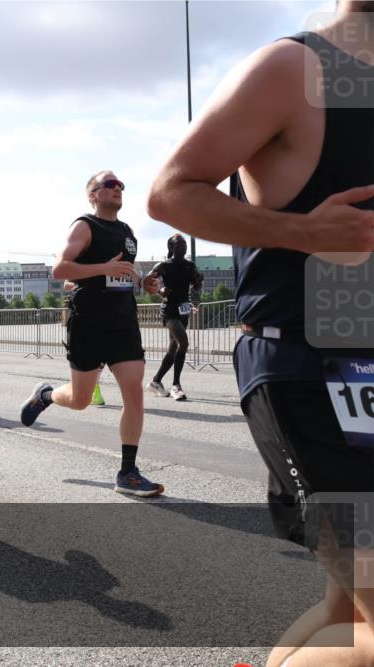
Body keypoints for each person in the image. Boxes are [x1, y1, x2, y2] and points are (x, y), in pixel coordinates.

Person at [147, 5, 374, 664]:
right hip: (304, 370)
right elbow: (170, 192)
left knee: (344, 607)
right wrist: (305, 231)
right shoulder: (294, 67)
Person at [19, 171, 163, 497]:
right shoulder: (84, 226)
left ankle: (128, 472)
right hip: (88, 324)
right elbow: (59, 269)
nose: (118, 188)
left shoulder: (127, 233)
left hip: (123, 323)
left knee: (134, 392)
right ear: (94, 194)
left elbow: (126, 272)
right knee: (80, 400)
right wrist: (102, 269)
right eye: (110, 184)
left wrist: (144, 283)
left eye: (121, 185)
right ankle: (45, 395)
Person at [145, 234, 203, 401]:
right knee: (183, 342)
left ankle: (156, 381)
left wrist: (199, 281)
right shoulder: (163, 266)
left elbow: (196, 286)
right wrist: (159, 290)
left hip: (183, 310)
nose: (184, 247)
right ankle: (176, 385)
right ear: (171, 247)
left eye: (185, 244)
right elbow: (146, 282)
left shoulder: (190, 266)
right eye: (179, 244)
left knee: (173, 348)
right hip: (169, 310)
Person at [62, 279, 107, 406]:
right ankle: (49, 395)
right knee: (80, 396)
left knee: (102, 359)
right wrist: (86, 285)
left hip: (106, 315)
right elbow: (66, 284)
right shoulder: (81, 262)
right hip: (83, 318)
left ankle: (94, 389)